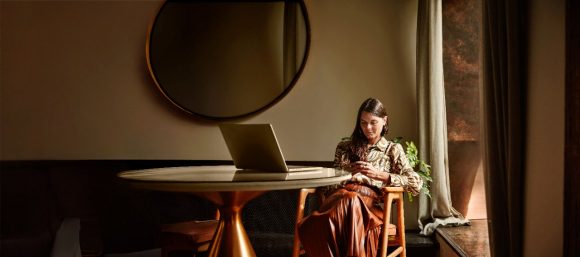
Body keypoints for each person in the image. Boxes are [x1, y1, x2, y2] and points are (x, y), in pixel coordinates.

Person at [297, 97, 423, 257]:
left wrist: (379, 175)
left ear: (384, 121)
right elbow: (328, 188)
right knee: (349, 198)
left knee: (349, 201)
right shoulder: (344, 148)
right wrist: (346, 173)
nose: (368, 128)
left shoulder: (392, 150)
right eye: (363, 123)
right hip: (338, 200)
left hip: (369, 208)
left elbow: (416, 184)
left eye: (373, 122)